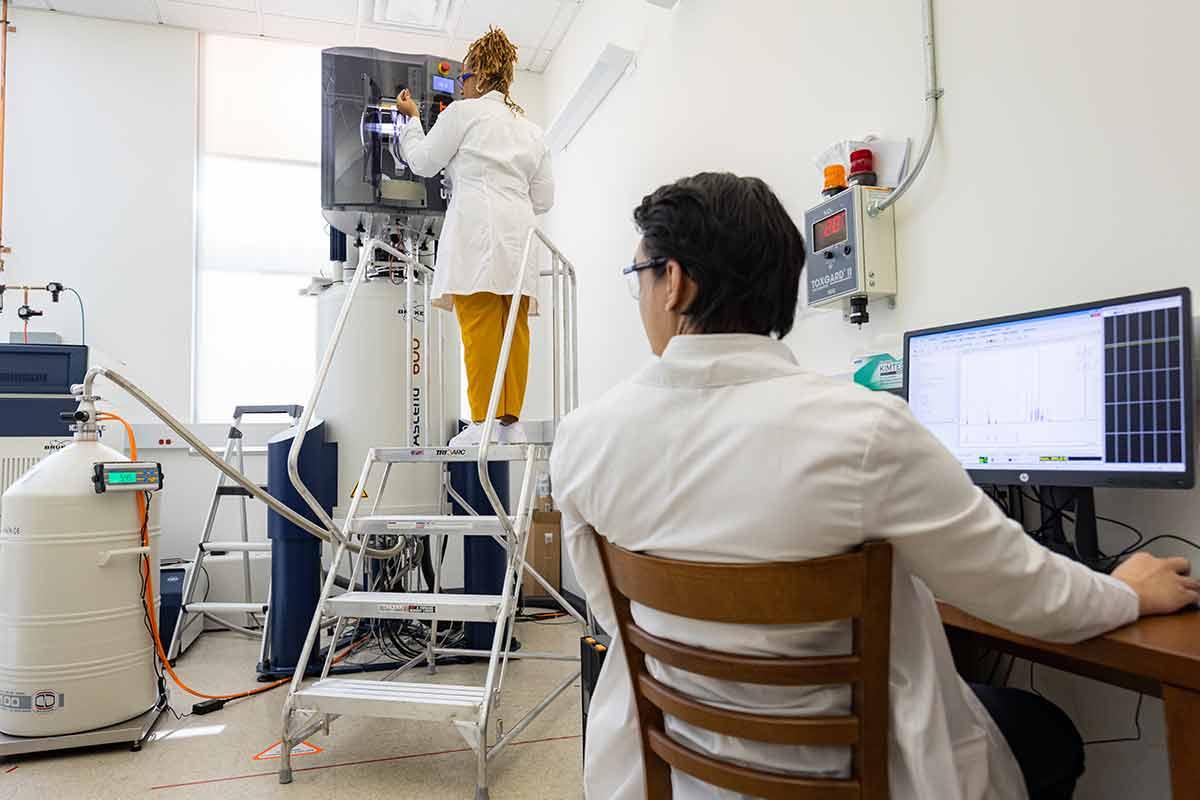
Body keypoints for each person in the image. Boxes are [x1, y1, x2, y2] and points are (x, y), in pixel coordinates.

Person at [549, 172, 1199, 800]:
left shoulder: (585, 439)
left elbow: (613, 614)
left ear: (674, 285)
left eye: (638, 275)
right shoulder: (864, 430)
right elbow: (1030, 595)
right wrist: (1126, 592)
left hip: (681, 765)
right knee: (1043, 730)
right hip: (846, 774)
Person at [395, 26, 554, 447]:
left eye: (465, 77)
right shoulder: (531, 131)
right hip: (519, 236)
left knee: (480, 323)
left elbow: (424, 163)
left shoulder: (462, 115)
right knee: (513, 327)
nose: (462, 85)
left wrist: (411, 124)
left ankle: (482, 423)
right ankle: (509, 424)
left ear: (480, 76)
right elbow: (545, 198)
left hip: (475, 233)